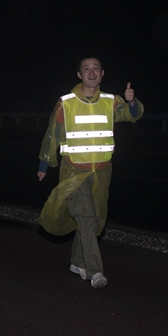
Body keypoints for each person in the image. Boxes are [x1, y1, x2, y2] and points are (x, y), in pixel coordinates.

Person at [36, 57, 144, 289]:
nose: (92, 72)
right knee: (85, 215)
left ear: (102, 74)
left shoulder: (110, 101)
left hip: (102, 172)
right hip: (74, 172)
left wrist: (132, 102)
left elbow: (130, 115)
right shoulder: (66, 103)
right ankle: (95, 271)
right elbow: (52, 134)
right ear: (79, 75)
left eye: (96, 68)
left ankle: (77, 262)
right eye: (87, 69)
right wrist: (44, 164)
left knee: (93, 219)